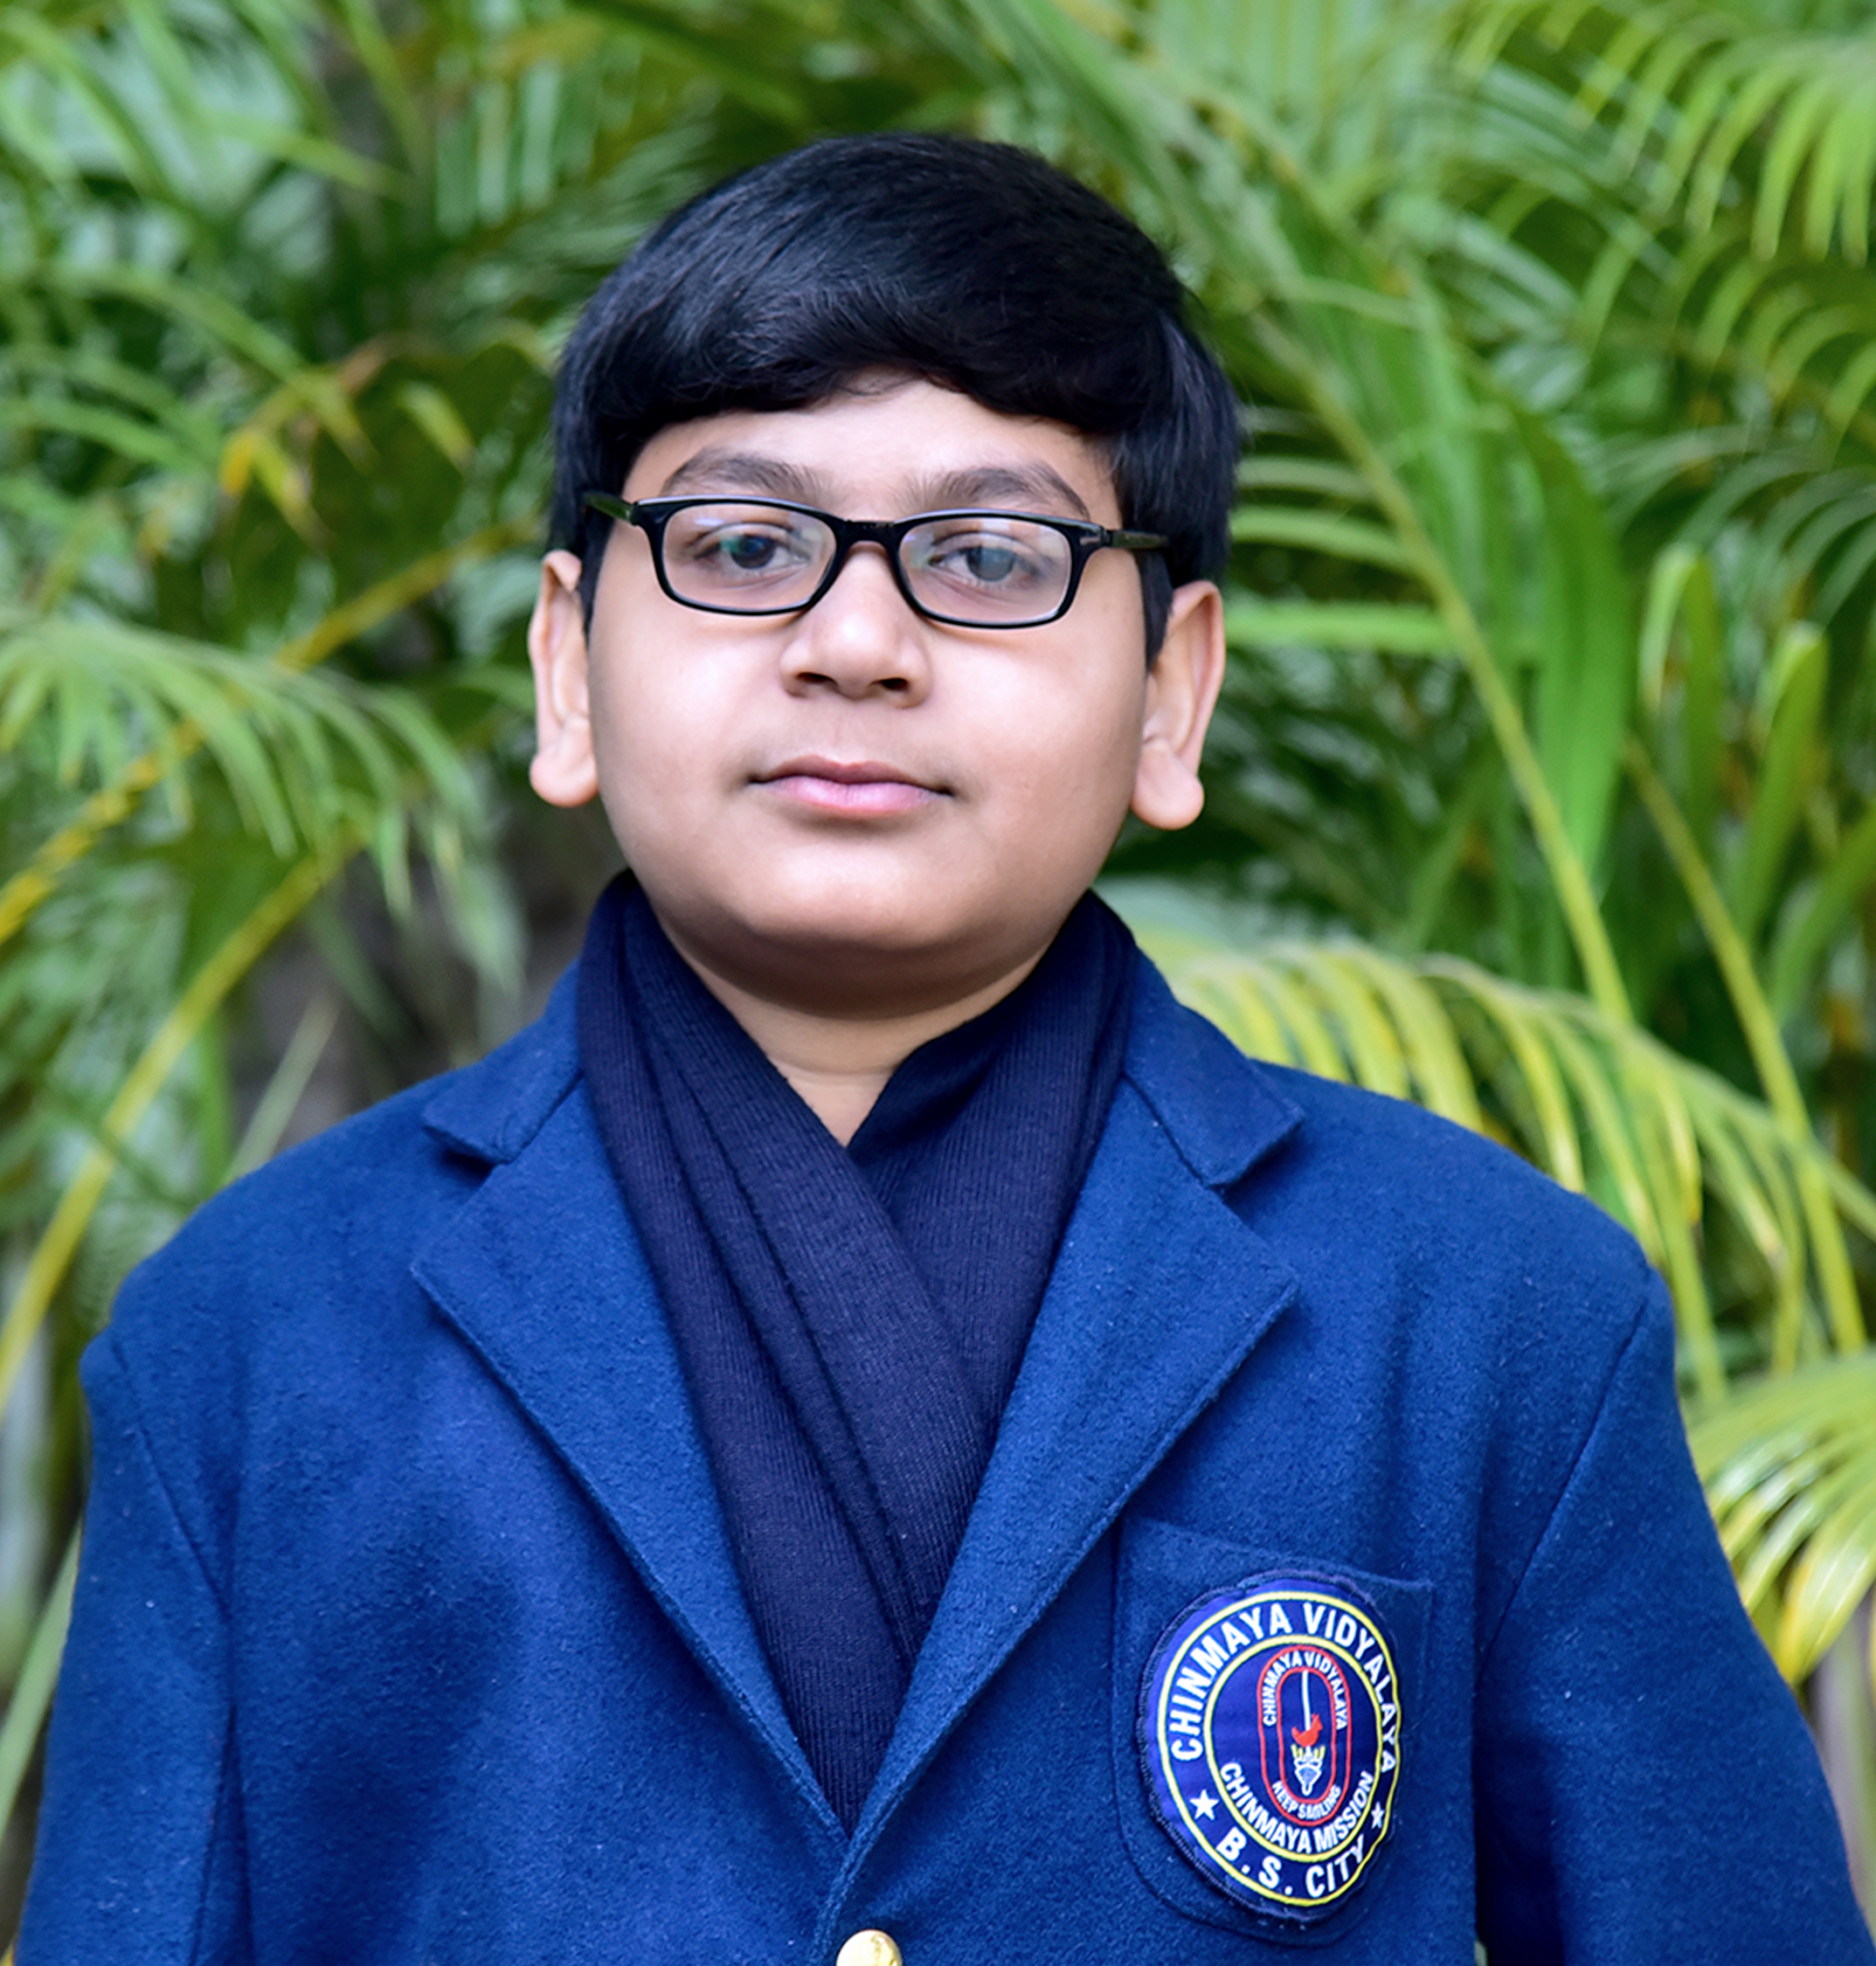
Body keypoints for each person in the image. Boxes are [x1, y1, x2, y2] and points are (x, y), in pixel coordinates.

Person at [19, 133, 1872, 1965]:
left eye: (990, 556)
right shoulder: (249, 1342)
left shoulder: (1489, 1320)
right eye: (745, 543)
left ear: (1173, 691)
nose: (857, 640)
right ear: (567, 667)